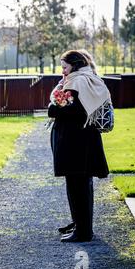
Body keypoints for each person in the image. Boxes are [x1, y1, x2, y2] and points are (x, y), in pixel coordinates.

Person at [48, 50, 110, 242]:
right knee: (79, 184)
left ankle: (83, 231)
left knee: (78, 185)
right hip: (81, 140)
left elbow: (73, 110)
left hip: (76, 141)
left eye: (65, 67)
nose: (63, 71)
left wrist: (53, 108)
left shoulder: (78, 81)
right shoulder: (84, 78)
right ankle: (80, 224)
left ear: (74, 65)